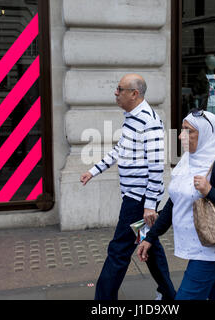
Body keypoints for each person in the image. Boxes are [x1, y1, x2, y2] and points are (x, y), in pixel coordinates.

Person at [137, 109, 215, 300]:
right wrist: (150, 237)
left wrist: (210, 191)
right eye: (182, 129)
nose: (180, 135)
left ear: (206, 135)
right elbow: (173, 204)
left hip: (212, 248)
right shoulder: (186, 161)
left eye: (188, 131)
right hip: (196, 245)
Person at [80, 74, 176, 300]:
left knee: (119, 250)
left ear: (134, 94)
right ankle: (170, 294)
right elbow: (119, 150)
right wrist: (94, 171)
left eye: (119, 89)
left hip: (138, 200)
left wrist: (149, 206)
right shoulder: (132, 117)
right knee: (150, 247)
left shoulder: (149, 121)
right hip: (136, 198)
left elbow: (156, 166)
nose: (115, 92)